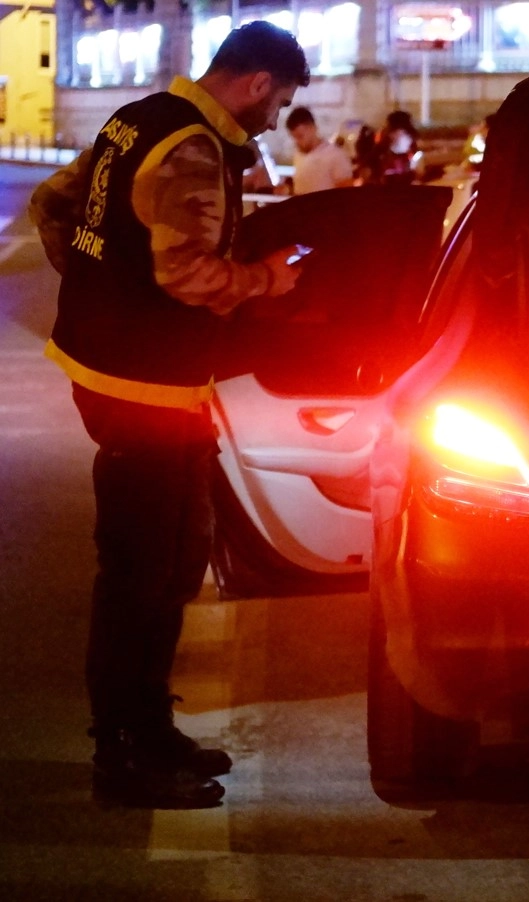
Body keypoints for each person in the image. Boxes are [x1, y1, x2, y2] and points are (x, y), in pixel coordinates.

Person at [27, 20, 310, 809]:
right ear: (257, 83)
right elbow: (186, 275)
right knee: (141, 573)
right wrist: (266, 281)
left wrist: (100, 294)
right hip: (144, 388)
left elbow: (54, 204)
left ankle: (148, 728)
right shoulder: (191, 147)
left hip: (135, 380)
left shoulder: (137, 120)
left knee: (174, 558)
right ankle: (123, 752)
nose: (273, 118)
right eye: (277, 102)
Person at [285, 105, 354, 194]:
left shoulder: (336, 156)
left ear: (313, 128)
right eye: (294, 137)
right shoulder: (298, 155)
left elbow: (346, 193)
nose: (297, 142)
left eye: (300, 136)